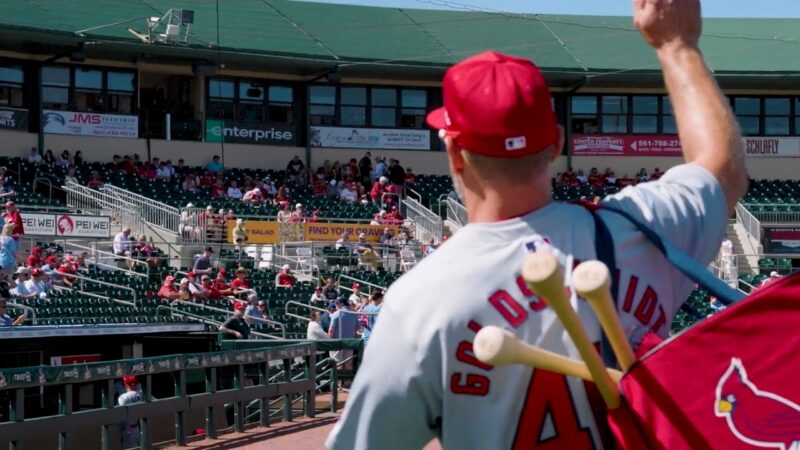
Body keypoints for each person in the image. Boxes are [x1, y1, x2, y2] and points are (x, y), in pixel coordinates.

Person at [326, 2, 749, 448]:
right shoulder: (639, 227)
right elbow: (724, 170)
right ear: (556, 145)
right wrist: (675, 44)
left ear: (454, 152)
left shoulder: (419, 300)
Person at [118, 375, 142, 450]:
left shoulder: (123, 397)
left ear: (125, 384)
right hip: (139, 429)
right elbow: (156, 402)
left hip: (128, 430)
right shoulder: (142, 393)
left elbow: (118, 415)